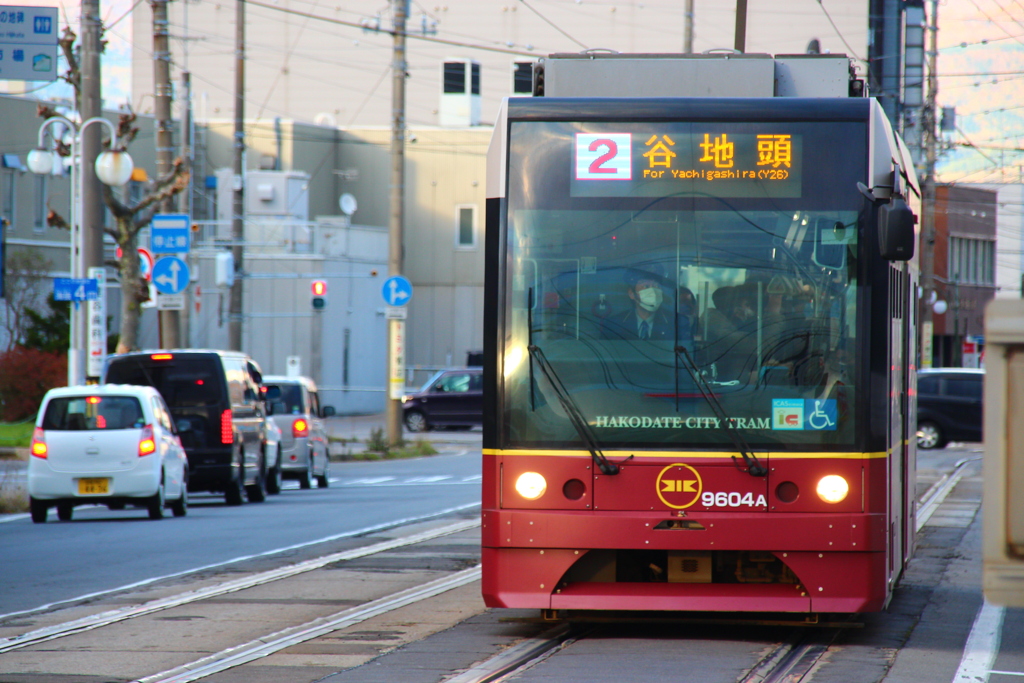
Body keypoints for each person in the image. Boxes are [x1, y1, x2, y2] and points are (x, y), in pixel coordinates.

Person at [600, 266, 692, 345]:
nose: (653, 292)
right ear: (631, 293)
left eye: (656, 286)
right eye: (646, 287)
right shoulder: (614, 324)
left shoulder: (678, 323)